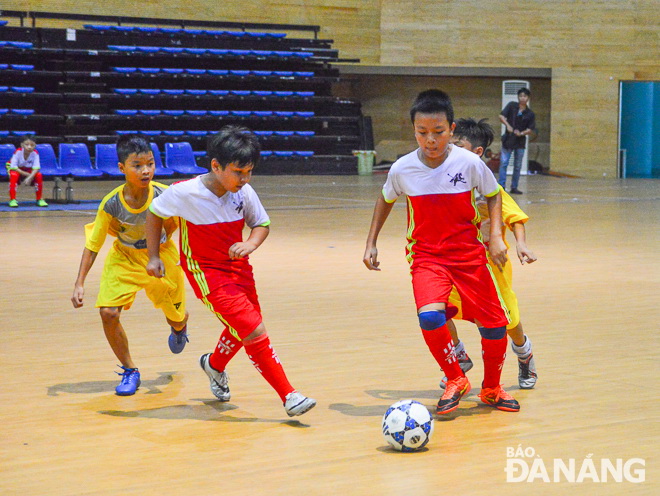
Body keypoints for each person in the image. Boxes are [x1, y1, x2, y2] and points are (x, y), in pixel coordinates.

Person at [363, 90, 520, 414]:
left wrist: (495, 236)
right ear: (414, 131)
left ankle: (491, 388)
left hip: (469, 256)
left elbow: (493, 195)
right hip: (427, 257)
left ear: (451, 129)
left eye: (438, 132)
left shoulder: (469, 163)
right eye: (422, 133)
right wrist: (371, 242)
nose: (430, 140)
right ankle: (455, 378)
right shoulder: (403, 168)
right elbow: (385, 199)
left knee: (494, 327)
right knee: (430, 316)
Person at [145, 126, 316, 418]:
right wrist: (153, 256)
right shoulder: (185, 192)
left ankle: (214, 365)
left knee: (244, 326)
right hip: (206, 272)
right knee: (252, 328)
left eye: (249, 172)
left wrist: (250, 243)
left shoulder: (244, 192)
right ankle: (289, 395)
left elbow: (261, 224)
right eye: (239, 172)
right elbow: (155, 213)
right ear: (215, 165)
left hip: (239, 271)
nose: (245, 179)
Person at [71, 135, 189, 396]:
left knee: (177, 319)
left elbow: (185, 228)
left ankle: (180, 327)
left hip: (161, 258)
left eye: (150, 163)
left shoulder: (165, 196)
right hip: (124, 258)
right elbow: (93, 244)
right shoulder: (111, 203)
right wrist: (79, 283)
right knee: (108, 313)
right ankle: (130, 370)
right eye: (137, 165)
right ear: (121, 168)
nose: (145, 170)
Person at [439, 117, 538, 390]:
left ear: (477, 152)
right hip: (458, 263)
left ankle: (524, 354)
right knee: (438, 309)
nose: (451, 150)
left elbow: (514, 217)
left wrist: (521, 244)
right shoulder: (449, 180)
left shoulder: (488, 187)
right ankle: (458, 357)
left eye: (459, 146)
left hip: (491, 266)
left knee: (508, 321)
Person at [498, 87, 536, 194]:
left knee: (517, 165)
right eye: (521, 96)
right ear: (518, 97)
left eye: (525, 96)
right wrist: (508, 126)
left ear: (528, 98)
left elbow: (530, 129)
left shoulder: (530, 113)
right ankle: (501, 187)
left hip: (520, 142)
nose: (522, 98)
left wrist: (522, 133)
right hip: (508, 139)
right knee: (504, 163)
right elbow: (501, 116)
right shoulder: (511, 106)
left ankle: (514, 187)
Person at [6, 135, 47, 207]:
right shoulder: (17, 152)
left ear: (35, 146)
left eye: (32, 145)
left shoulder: (35, 153)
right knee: (14, 175)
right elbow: (14, 167)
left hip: (28, 169)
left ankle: (39, 199)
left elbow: (36, 168)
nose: (29, 147)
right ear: (22, 145)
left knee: (39, 175)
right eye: (27, 145)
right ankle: (12, 200)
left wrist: (30, 178)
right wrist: (27, 175)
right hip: (16, 169)